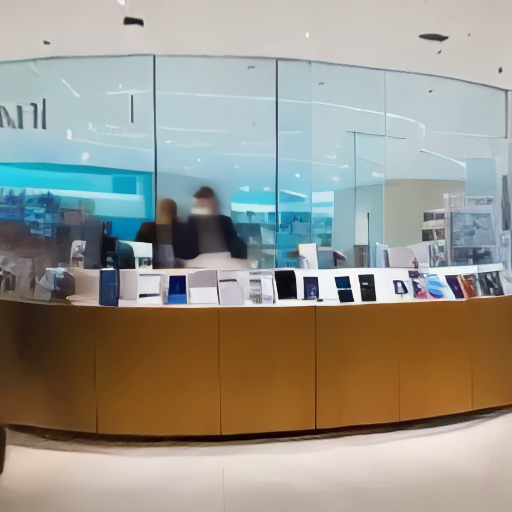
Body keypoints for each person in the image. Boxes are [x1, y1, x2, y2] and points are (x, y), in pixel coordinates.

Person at [187, 186, 247, 259]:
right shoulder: (188, 225)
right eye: (202, 205)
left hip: (223, 266)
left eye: (207, 204)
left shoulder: (225, 222)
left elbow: (238, 247)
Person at [136, 198, 178, 268]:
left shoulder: (180, 231)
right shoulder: (147, 229)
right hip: (150, 270)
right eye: (163, 211)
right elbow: (137, 253)